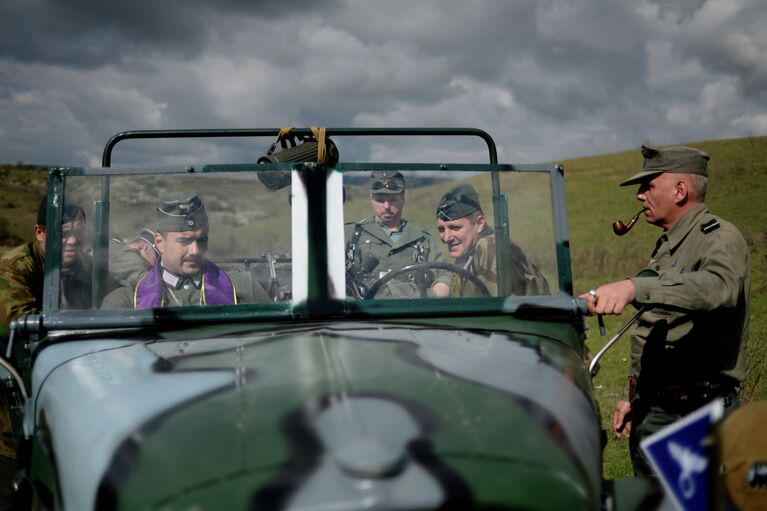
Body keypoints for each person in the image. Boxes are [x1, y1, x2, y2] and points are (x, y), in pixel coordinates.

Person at [581, 145, 750, 476]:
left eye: (648, 186)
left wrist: (634, 287)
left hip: (696, 417)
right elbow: (658, 326)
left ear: (680, 190)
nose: (640, 196)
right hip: (656, 409)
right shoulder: (668, 245)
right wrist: (635, 396)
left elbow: (719, 288)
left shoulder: (720, 238)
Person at [101, 192, 268, 308]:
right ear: (159, 242)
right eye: (185, 241)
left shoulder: (244, 289)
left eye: (202, 240)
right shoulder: (125, 302)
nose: (195, 250)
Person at [345, 171, 450, 298]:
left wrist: (430, 296)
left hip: (410, 312)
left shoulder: (422, 240)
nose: (387, 206)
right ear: (371, 199)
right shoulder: (351, 235)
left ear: (403, 198)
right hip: (363, 313)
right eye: (380, 200)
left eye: (392, 199)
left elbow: (444, 274)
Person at [435, 184, 549, 297]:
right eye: (441, 229)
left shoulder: (489, 247)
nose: (446, 237)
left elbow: (493, 309)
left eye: (455, 228)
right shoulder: (466, 254)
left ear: (479, 224)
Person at [0, 195, 91, 337]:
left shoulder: (85, 264)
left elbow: (113, 288)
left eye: (79, 232)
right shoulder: (13, 268)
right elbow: (14, 321)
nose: (73, 241)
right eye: (63, 234)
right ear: (40, 233)